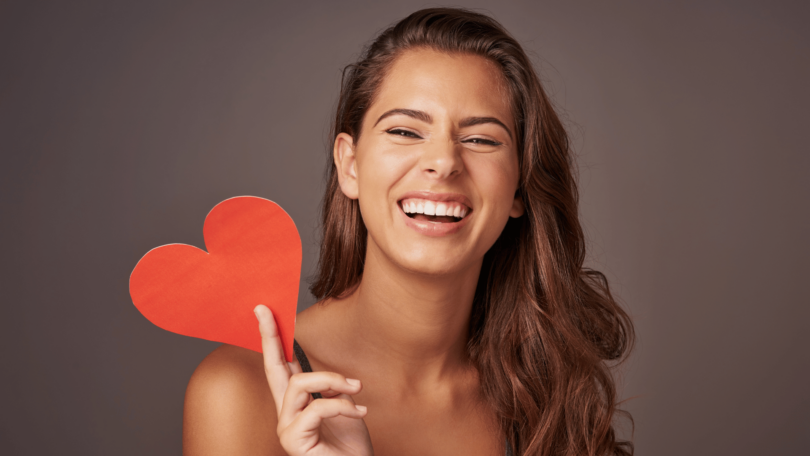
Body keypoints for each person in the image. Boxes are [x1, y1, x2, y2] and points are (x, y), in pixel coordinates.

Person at [183, 7, 634, 456]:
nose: (444, 162)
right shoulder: (238, 393)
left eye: (480, 139)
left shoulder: (551, 393)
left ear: (519, 186)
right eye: (404, 130)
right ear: (350, 165)